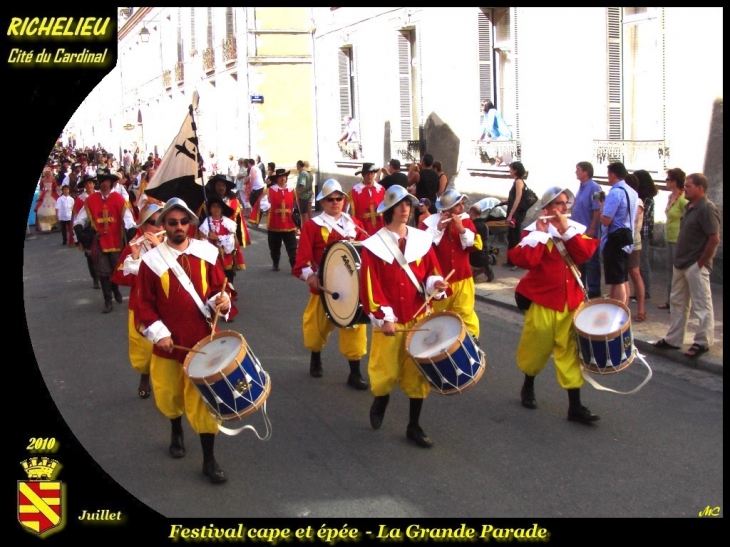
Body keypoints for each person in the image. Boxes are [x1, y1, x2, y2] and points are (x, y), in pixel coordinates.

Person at [135, 198, 233, 484]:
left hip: (202, 342)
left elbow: (217, 289)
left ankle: (209, 459)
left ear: (190, 223)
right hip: (168, 344)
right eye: (172, 222)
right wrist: (159, 334)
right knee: (170, 396)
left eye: (183, 222)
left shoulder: (207, 252)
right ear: (163, 226)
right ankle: (176, 429)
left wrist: (221, 301)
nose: (179, 227)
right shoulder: (151, 261)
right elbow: (144, 304)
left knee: (205, 402)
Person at [359, 185, 450, 448]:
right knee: (385, 372)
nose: (405, 208)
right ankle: (381, 398)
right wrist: (384, 316)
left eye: (408, 203)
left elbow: (431, 272)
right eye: (399, 204)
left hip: (418, 315)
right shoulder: (373, 246)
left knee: (417, 374)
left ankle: (414, 425)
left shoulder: (421, 240)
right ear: (388, 209)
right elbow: (370, 287)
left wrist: (436, 284)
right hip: (390, 319)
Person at [508, 186, 601, 424]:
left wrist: (566, 231)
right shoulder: (534, 234)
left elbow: (583, 255)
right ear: (547, 209)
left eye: (565, 204)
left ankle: (575, 406)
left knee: (570, 354)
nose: (564, 208)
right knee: (535, 349)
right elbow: (525, 260)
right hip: (543, 302)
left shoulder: (574, 231)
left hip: (571, 304)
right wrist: (539, 235)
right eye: (558, 204)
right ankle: (528, 384)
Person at [292, 179, 369, 388]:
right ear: (323, 202)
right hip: (324, 288)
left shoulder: (356, 225)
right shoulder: (312, 226)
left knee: (354, 328)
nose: (335, 202)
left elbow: (366, 253)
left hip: (352, 289)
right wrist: (311, 276)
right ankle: (315, 356)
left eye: (339, 198)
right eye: (330, 199)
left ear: (344, 201)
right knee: (316, 328)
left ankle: (355, 372)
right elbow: (302, 261)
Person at [653, 173, 720, 358]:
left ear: (700, 188)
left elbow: (714, 239)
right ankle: (674, 339)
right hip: (681, 262)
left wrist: (700, 264)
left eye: (689, 186)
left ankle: (702, 341)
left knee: (701, 304)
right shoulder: (690, 206)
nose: (685, 188)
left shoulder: (706, 208)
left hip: (695, 264)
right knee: (677, 302)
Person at [110, 202, 165, 400]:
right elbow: (120, 278)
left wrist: (162, 249)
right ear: (143, 226)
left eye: (162, 222)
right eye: (153, 223)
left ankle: (166, 387)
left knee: (167, 347)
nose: (159, 227)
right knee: (143, 349)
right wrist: (134, 258)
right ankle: (145, 374)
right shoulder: (133, 246)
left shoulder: (172, 243)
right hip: (142, 305)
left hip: (168, 305)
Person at [73, 172, 137, 313]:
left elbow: (128, 220)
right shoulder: (91, 200)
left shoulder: (118, 199)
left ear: (112, 184)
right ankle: (107, 300)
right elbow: (81, 219)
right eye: (102, 181)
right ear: (99, 184)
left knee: (114, 269)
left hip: (116, 241)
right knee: (103, 272)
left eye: (107, 182)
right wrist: (79, 229)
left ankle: (115, 289)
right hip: (100, 241)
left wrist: (131, 231)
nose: (104, 184)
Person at [423, 189, 482, 339]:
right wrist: (438, 229)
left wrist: (461, 229)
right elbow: (422, 247)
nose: (462, 208)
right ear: (447, 209)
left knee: (465, 315)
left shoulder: (466, 222)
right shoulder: (430, 224)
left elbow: (475, 245)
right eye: (458, 205)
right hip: (440, 282)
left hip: (463, 279)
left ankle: (471, 344)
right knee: (439, 318)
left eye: (462, 204)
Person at [600, 162, 639, 306]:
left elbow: (606, 220)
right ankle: (619, 307)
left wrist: (601, 210)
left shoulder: (616, 192)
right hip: (627, 236)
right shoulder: (633, 192)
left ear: (612, 174)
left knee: (618, 280)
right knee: (622, 277)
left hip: (615, 237)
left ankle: (619, 309)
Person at [198, 195, 245, 289]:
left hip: (226, 255)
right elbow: (202, 241)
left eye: (218, 206)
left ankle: (230, 291)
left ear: (222, 209)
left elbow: (231, 241)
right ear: (210, 209)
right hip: (212, 256)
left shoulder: (229, 223)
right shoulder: (205, 224)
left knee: (228, 275)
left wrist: (217, 237)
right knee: (213, 274)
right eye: (213, 206)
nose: (216, 209)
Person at [658, 168, 688, 310]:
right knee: (669, 270)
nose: (666, 182)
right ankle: (670, 300)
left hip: (679, 239)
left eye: (668, 179)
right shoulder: (671, 196)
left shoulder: (683, 199)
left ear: (675, 181)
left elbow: (689, 217)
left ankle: (678, 303)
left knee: (678, 271)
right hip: (669, 237)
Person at [572, 161, 603, 298]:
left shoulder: (594, 188)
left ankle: (594, 288)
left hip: (589, 230)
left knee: (591, 260)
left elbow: (597, 209)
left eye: (578, 169)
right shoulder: (581, 187)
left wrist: (592, 228)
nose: (576, 172)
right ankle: (581, 286)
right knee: (581, 260)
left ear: (586, 172)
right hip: (579, 230)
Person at [265, 168, 298, 271]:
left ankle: (294, 265)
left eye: (284, 177)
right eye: (280, 177)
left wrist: (298, 220)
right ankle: (275, 263)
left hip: (289, 224)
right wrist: (268, 209)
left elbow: (296, 205)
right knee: (274, 247)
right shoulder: (270, 190)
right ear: (276, 179)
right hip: (274, 224)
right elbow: (262, 204)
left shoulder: (292, 190)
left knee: (292, 247)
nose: (282, 179)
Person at [624, 174, 646, 322]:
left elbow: (632, 215)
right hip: (623, 241)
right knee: (623, 276)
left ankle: (641, 309)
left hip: (634, 241)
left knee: (635, 273)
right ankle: (623, 307)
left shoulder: (637, 200)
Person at [634, 169, 658, 302]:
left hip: (644, 234)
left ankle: (646, 291)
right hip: (637, 233)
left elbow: (644, 216)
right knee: (636, 264)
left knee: (643, 262)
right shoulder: (639, 197)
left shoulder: (648, 199)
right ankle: (639, 290)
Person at [74, 175, 100, 289]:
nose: (89, 185)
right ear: (84, 186)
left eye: (91, 183)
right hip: (88, 230)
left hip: (101, 227)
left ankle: (104, 276)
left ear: (94, 184)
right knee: (90, 255)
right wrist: (78, 235)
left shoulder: (100, 195)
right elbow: (78, 217)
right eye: (87, 184)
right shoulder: (80, 199)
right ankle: (95, 278)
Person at [501, 161, 529, 269]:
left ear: (515, 170)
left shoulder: (519, 182)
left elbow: (518, 198)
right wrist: (506, 201)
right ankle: (511, 260)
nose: (509, 171)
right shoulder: (516, 181)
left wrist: (511, 214)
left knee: (515, 237)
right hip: (514, 213)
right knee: (511, 237)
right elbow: (514, 199)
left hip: (516, 215)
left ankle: (517, 262)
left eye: (511, 169)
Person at [348, 163, 386, 236]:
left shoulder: (381, 190)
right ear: (363, 175)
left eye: (372, 173)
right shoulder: (354, 191)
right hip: (362, 230)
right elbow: (349, 214)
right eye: (367, 174)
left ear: (374, 174)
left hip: (380, 230)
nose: (369, 176)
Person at [468, 204, 495, 282]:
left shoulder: (473, 225)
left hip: (475, 256)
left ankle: (481, 269)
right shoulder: (485, 225)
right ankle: (484, 268)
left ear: (472, 213)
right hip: (485, 253)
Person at [35, 168, 59, 232]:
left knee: (55, 209)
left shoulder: (53, 179)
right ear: (44, 174)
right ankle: (46, 227)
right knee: (41, 209)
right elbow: (40, 188)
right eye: (46, 173)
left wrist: (58, 190)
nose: (47, 174)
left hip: (52, 195)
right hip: (44, 195)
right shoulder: (42, 180)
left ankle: (53, 225)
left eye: (48, 173)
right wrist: (40, 195)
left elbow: (56, 187)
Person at [295, 160, 314, 226]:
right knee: (307, 211)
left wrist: (298, 194)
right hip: (308, 194)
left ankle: (305, 227)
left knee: (303, 213)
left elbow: (303, 185)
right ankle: (308, 226)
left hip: (303, 196)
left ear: (298, 165)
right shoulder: (309, 174)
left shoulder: (303, 173)